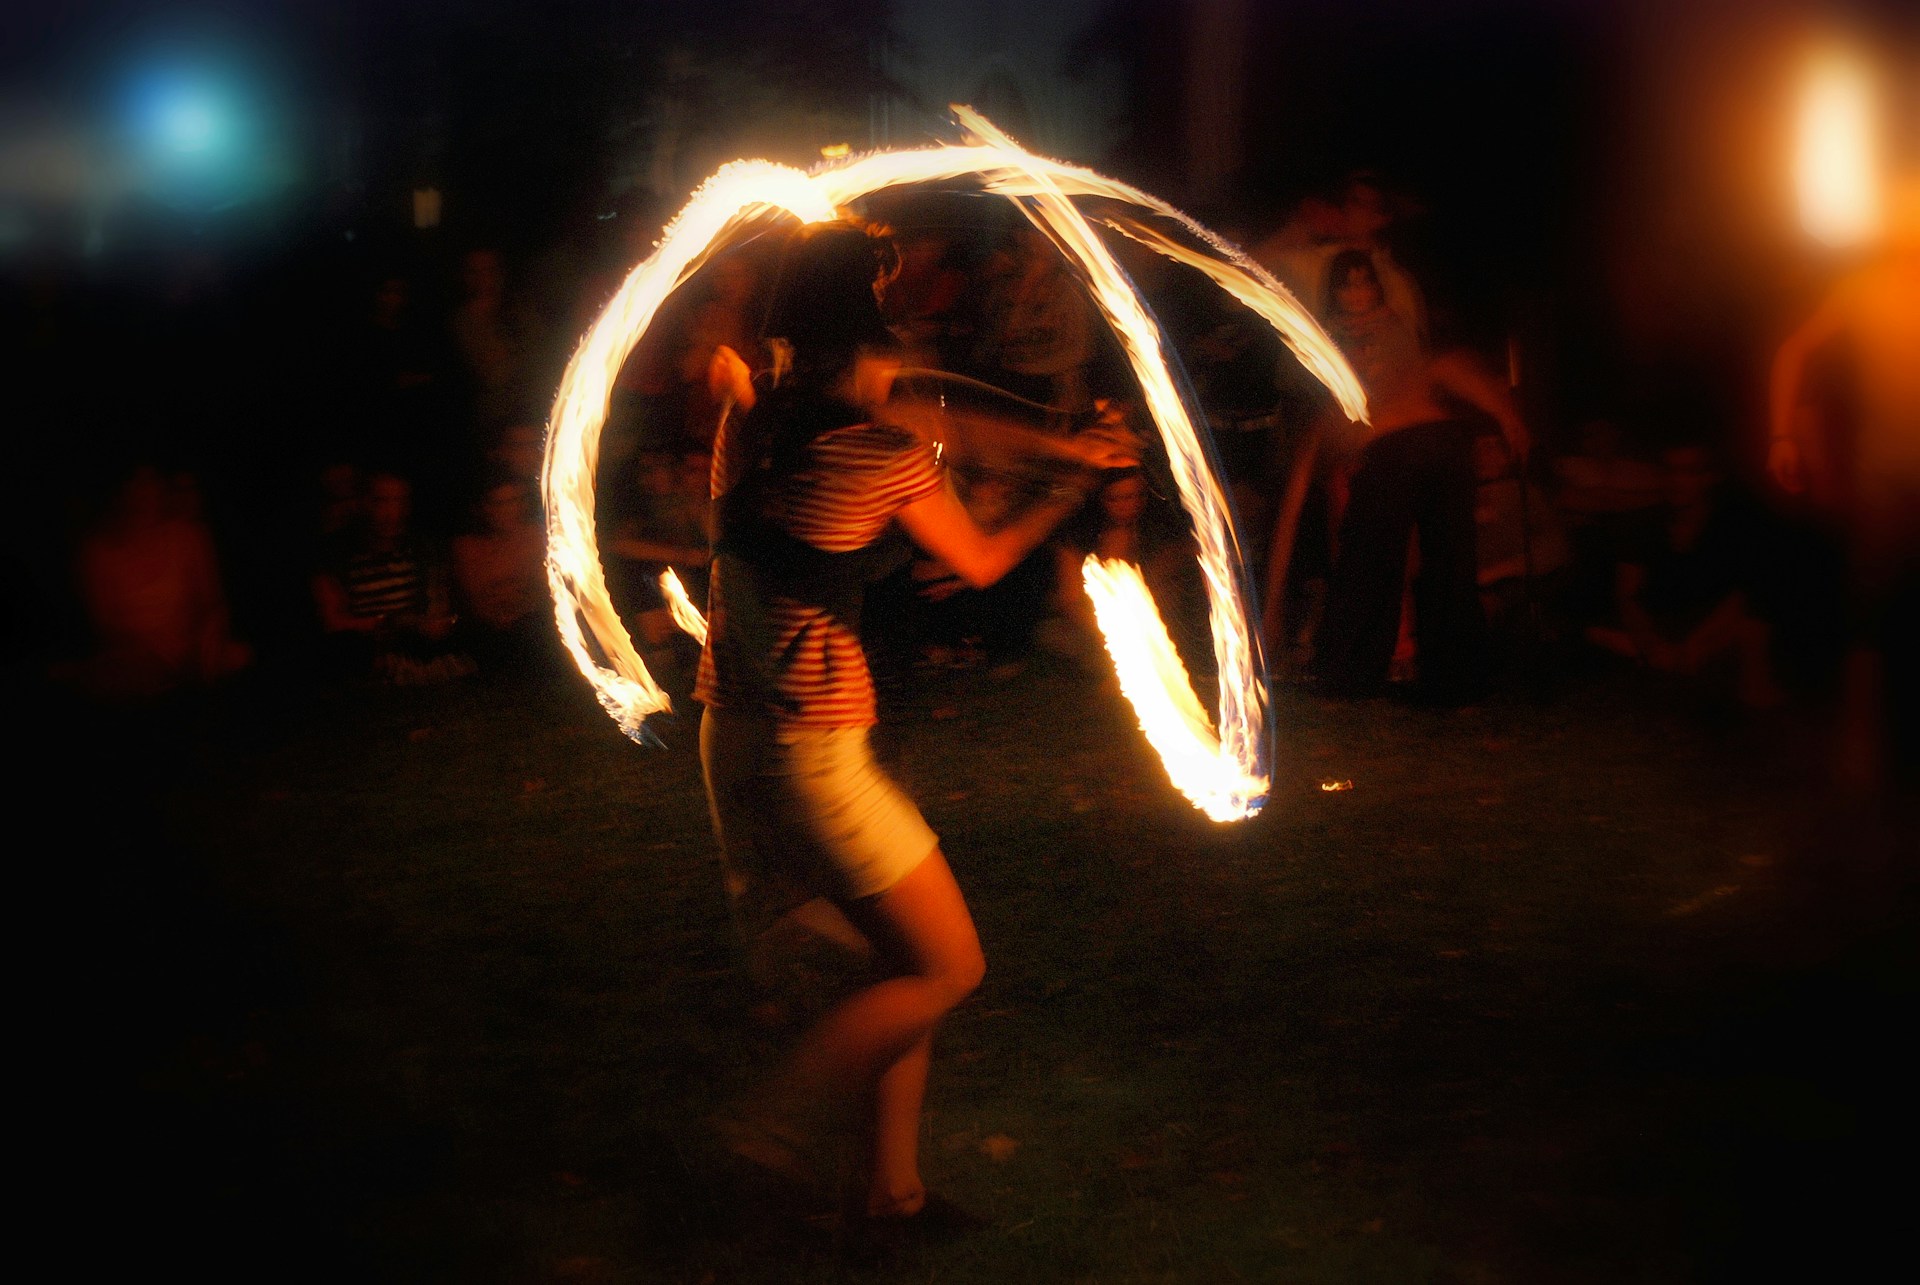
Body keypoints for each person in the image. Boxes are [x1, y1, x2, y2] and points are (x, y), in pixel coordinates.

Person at [695, 220, 1135, 1231]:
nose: (912, 308)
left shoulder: (749, 414)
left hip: (733, 729)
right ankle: (759, 1135)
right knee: (948, 966)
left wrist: (1058, 440)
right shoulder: (882, 450)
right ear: (872, 315)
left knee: (889, 969)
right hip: (817, 747)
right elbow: (976, 558)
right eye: (894, 293)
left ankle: (891, 1193)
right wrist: (1067, 484)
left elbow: (934, 415)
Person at [1311, 249, 1530, 701]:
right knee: (1381, 558)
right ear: (1334, 294)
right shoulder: (1323, 340)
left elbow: (1443, 368)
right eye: (1346, 283)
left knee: (1435, 559)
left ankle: (1441, 679)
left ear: (1377, 287)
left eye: (1363, 281)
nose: (1357, 291)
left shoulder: (1396, 328)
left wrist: (1508, 416)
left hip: (1426, 445)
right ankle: (1375, 676)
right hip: (1409, 450)